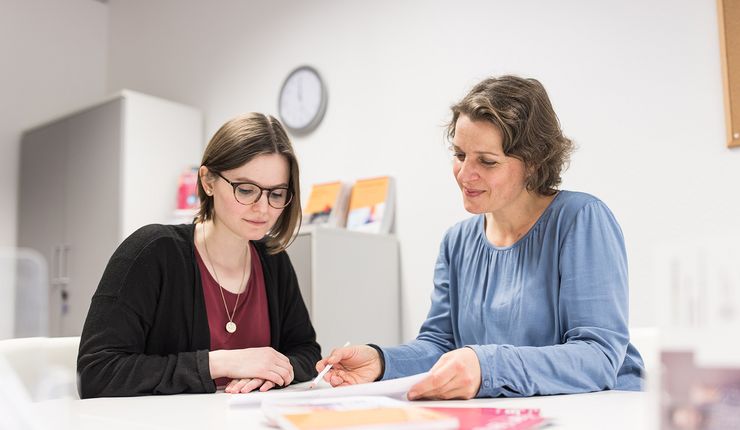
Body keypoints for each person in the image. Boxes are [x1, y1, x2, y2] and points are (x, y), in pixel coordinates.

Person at [316, 75, 645, 399]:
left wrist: (485, 365)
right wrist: (382, 362)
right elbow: (440, 346)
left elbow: (598, 357)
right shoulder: (457, 242)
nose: (465, 175)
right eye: (460, 155)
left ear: (533, 163)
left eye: (487, 162)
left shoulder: (580, 220)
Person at [77, 113, 320, 398]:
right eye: (245, 190)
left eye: (276, 194)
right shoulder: (152, 252)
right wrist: (220, 363)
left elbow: (306, 352)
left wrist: (275, 372)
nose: (263, 209)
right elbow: (97, 372)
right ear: (207, 181)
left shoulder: (273, 259)